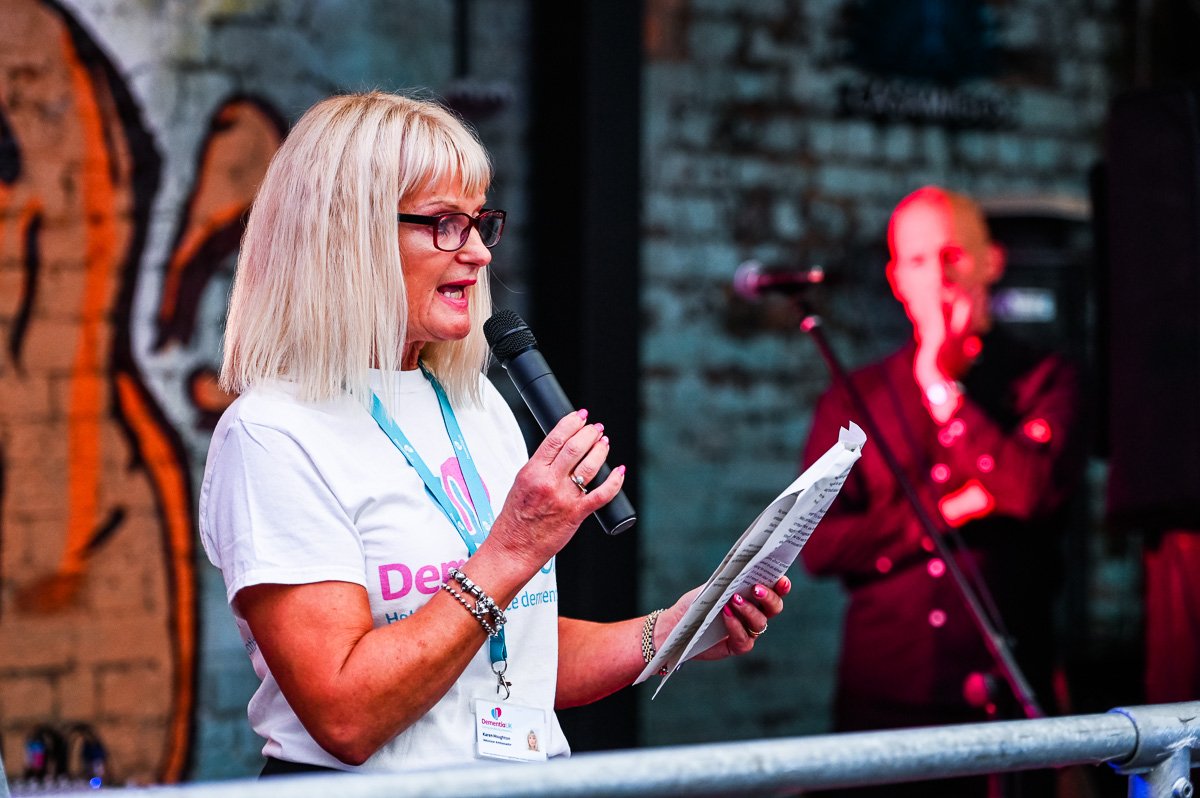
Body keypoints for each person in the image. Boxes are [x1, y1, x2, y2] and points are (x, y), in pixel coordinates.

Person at [198, 91, 789, 775]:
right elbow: (346, 713)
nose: (478, 253)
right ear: (346, 234)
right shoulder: (274, 433)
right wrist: (512, 548)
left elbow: (512, 651)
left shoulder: (475, 401)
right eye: (446, 223)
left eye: (480, 222)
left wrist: (674, 631)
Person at [799, 187, 1083, 796]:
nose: (941, 278)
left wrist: (944, 391)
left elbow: (1029, 489)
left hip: (1001, 696)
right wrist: (950, 508)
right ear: (897, 278)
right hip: (884, 698)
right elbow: (818, 545)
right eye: (921, 261)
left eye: (954, 256)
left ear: (991, 262)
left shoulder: (1044, 378)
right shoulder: (855, 396)